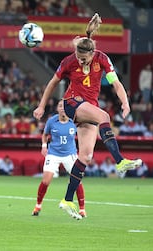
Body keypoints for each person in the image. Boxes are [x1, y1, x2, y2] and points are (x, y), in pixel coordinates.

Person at [33, 13, 142, 220]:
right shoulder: (68, 61)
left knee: (86, 156)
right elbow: (52, 83)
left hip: (88, 108)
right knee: (104, 116)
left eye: (84, 58)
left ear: (92, 53)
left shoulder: (102, 59)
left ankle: (66, 199)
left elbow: (116, 83)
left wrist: (125, 102)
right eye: (78, 56)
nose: (81, 60)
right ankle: (119, 161)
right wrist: (41, 106)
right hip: (72, 103)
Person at [32, 100, 86, 217]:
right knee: (46, 180)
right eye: (60, 106)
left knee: (77, 180)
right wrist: (44, 146)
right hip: (53, 153)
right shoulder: (52, 121)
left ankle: (82, 209)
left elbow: (84, 132)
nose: (62, 108)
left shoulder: (75, 120)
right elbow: (45, 135)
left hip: (70, 154)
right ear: (57, 108)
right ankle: (38, 205)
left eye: (64, 106)